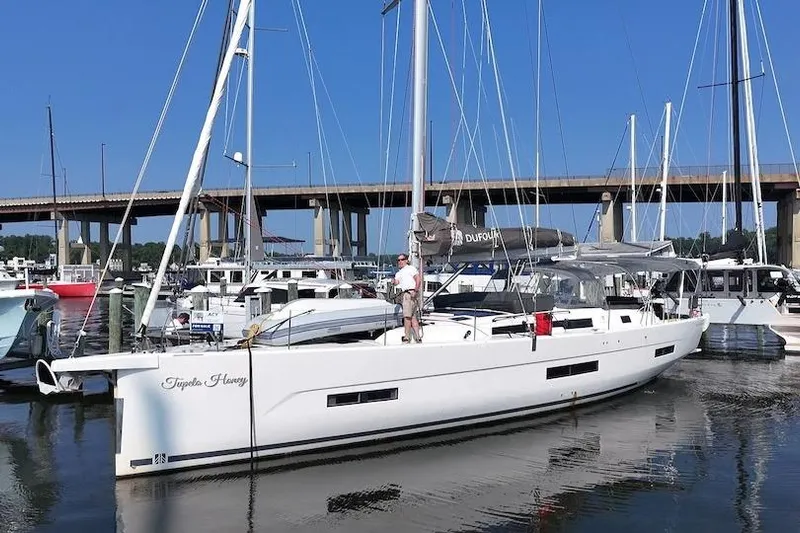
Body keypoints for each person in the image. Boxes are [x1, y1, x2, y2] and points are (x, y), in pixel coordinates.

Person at [392, 253, 422, 343]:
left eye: (402, 259)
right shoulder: (399, 273)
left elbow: (418, 279)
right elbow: (397, 282)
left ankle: (406, 337)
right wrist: (393, 282)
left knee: (407, 316)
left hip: (411, 292)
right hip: (406, 293)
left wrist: (416, 290)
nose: (400, 261)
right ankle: (418, 337)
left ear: (406, 260)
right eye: (398, 260)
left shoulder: (411, 269)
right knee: (413, 316)